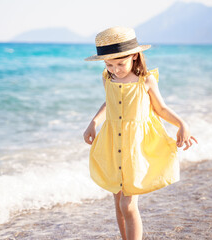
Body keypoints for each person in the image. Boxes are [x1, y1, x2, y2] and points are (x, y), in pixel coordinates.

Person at [83, 26, 197, 240]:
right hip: (112, 144)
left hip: (135, 148)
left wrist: (182, 123)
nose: (115, 69)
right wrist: (94, 122)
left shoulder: (145, 81)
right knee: (118, 203)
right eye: (109, 64)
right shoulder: (108, 79)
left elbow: (161, 109)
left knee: (128, 204)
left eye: (120, 64)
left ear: (134, 56)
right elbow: (109, 102)